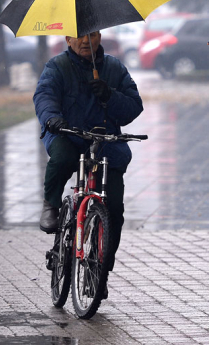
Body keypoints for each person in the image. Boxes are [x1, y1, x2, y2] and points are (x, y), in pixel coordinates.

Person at [34, 30, 143, 275]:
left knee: (114, 210)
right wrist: (52, 119)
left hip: (105, 142)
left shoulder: (114, 68)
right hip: (67, 134)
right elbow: (44, 96)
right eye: (79, 36)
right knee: (62, 158)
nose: (85, 41)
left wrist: (110, 95)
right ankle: (51, 204)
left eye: (91, 35)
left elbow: (134, 106)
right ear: (68, 40)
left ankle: (101, 270)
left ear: (99, 37)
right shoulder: (57, 66)